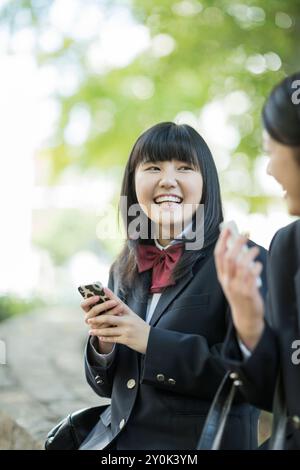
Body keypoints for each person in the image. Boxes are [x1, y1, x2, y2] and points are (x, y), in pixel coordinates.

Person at [79, 122, 267, 450]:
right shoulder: (124, 267)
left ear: (206, 183)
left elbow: (252, 379)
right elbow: (110, 388)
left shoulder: (243, 259)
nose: (168, 180)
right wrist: (105, 343)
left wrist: (150, 341)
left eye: (184, 167)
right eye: (153, 167)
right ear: (133, 183)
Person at [214, 72, 300, 450]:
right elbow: (276, 397)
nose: (268, 169)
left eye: (269, 151)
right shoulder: (287, 248)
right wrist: (248, 317)